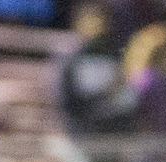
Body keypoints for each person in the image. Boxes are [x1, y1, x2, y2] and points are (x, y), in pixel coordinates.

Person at [53, 2, 136, 137]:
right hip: (83, 136)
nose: (97, 27)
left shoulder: (116, 56)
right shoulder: (70, 59)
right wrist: (109, 92)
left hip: (116, 135)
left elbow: (128, 102)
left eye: (101, 20)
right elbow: (71, 105)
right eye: (91, 21)